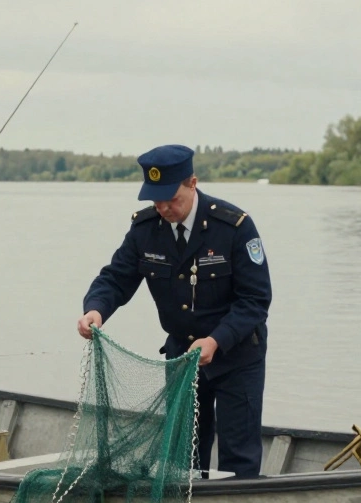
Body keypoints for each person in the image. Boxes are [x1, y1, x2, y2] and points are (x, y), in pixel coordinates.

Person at [78, 145, 271, 478]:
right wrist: (95, 309)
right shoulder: (145, 230)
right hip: (182, 356)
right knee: (184, 459)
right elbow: (116, 278)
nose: (164, 208)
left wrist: (216, 340)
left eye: (172, 199)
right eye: (156, 201)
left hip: (237, 356)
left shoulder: (234, 227)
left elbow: (255, 299)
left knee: (238, 456)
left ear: (192, 183)